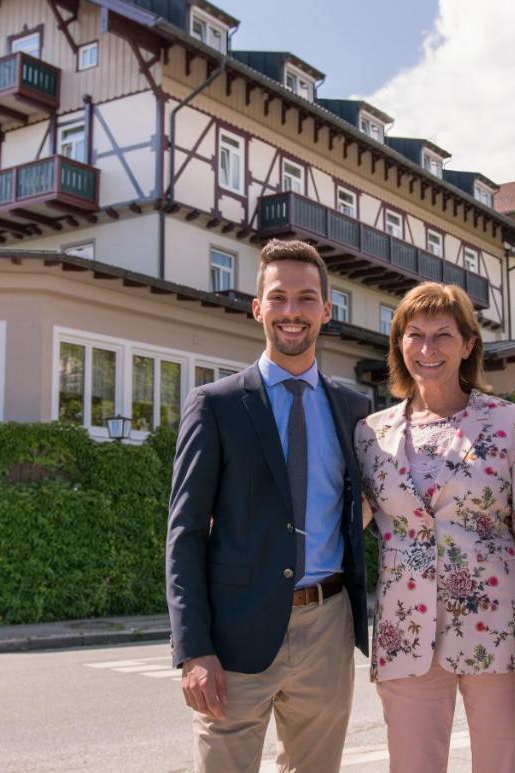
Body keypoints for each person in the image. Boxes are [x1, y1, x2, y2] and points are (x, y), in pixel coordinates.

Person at [166, 238, 371, 772]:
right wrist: (193, 649)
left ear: (327, 310)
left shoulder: (355, 409)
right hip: (235, 635)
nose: (291, 312)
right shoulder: (216, 406)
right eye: (277, 298)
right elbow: (185, 533)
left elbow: (369, 512)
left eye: (306, 299)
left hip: (328, 627)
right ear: (256, 308)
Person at [355, 281, 515, 773]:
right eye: (415, 334)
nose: (428, 350)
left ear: (469, 344)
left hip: (499, 635)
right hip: (405, 635)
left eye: (443, 335)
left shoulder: (513, 424)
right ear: (399, 344)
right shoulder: (371, 433)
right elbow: (343, 522)